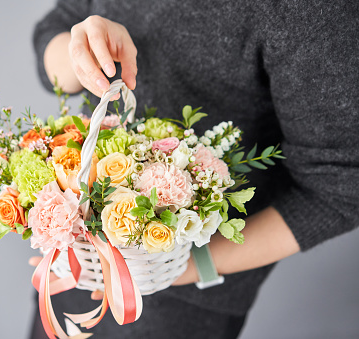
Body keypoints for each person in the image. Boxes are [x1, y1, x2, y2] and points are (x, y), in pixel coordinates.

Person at [29, 1, 359, 338]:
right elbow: (54, 33)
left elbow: (343, 189)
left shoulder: (310, 11)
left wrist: (170, 264)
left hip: (181, 300)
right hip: (77, 262)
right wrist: (81, 52)